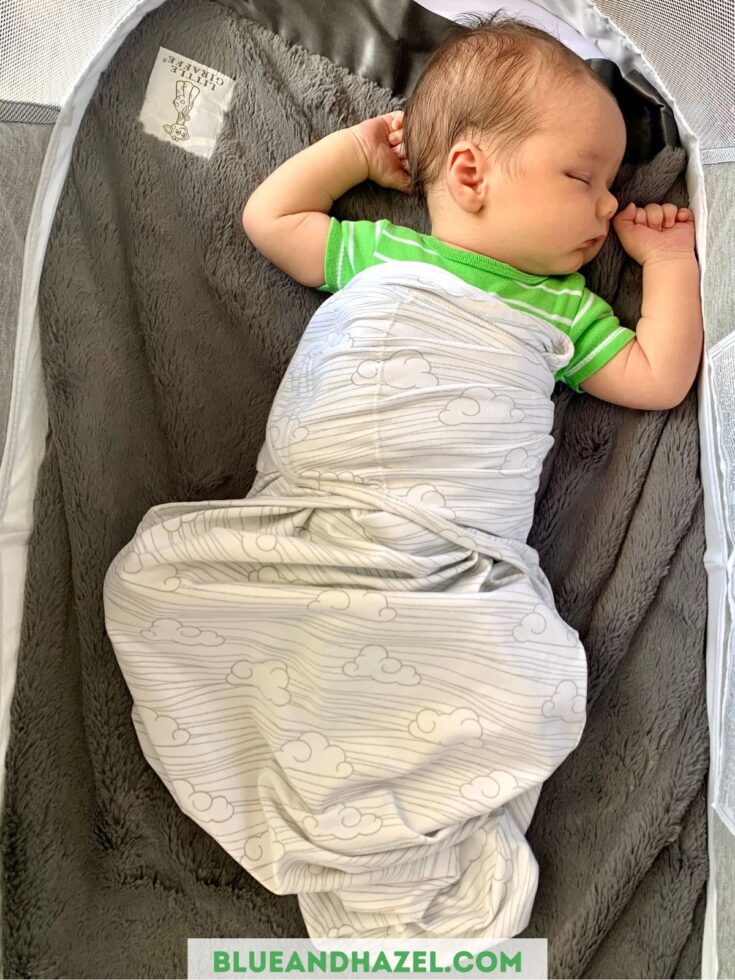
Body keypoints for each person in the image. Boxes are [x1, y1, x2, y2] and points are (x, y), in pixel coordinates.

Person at [104, 12, 704, 942]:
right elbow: (271, 218)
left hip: (444, 561)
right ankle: (337, 793)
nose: (604, 209)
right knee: (166, 587)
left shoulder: (562, 309)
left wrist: (668, 266)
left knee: (467, 662)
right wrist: (355, 151)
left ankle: (387, 857)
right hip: (318, 526)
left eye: (610, 187)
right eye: (582, 178)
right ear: (469, 172)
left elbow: (659, 379)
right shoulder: (384, 255)